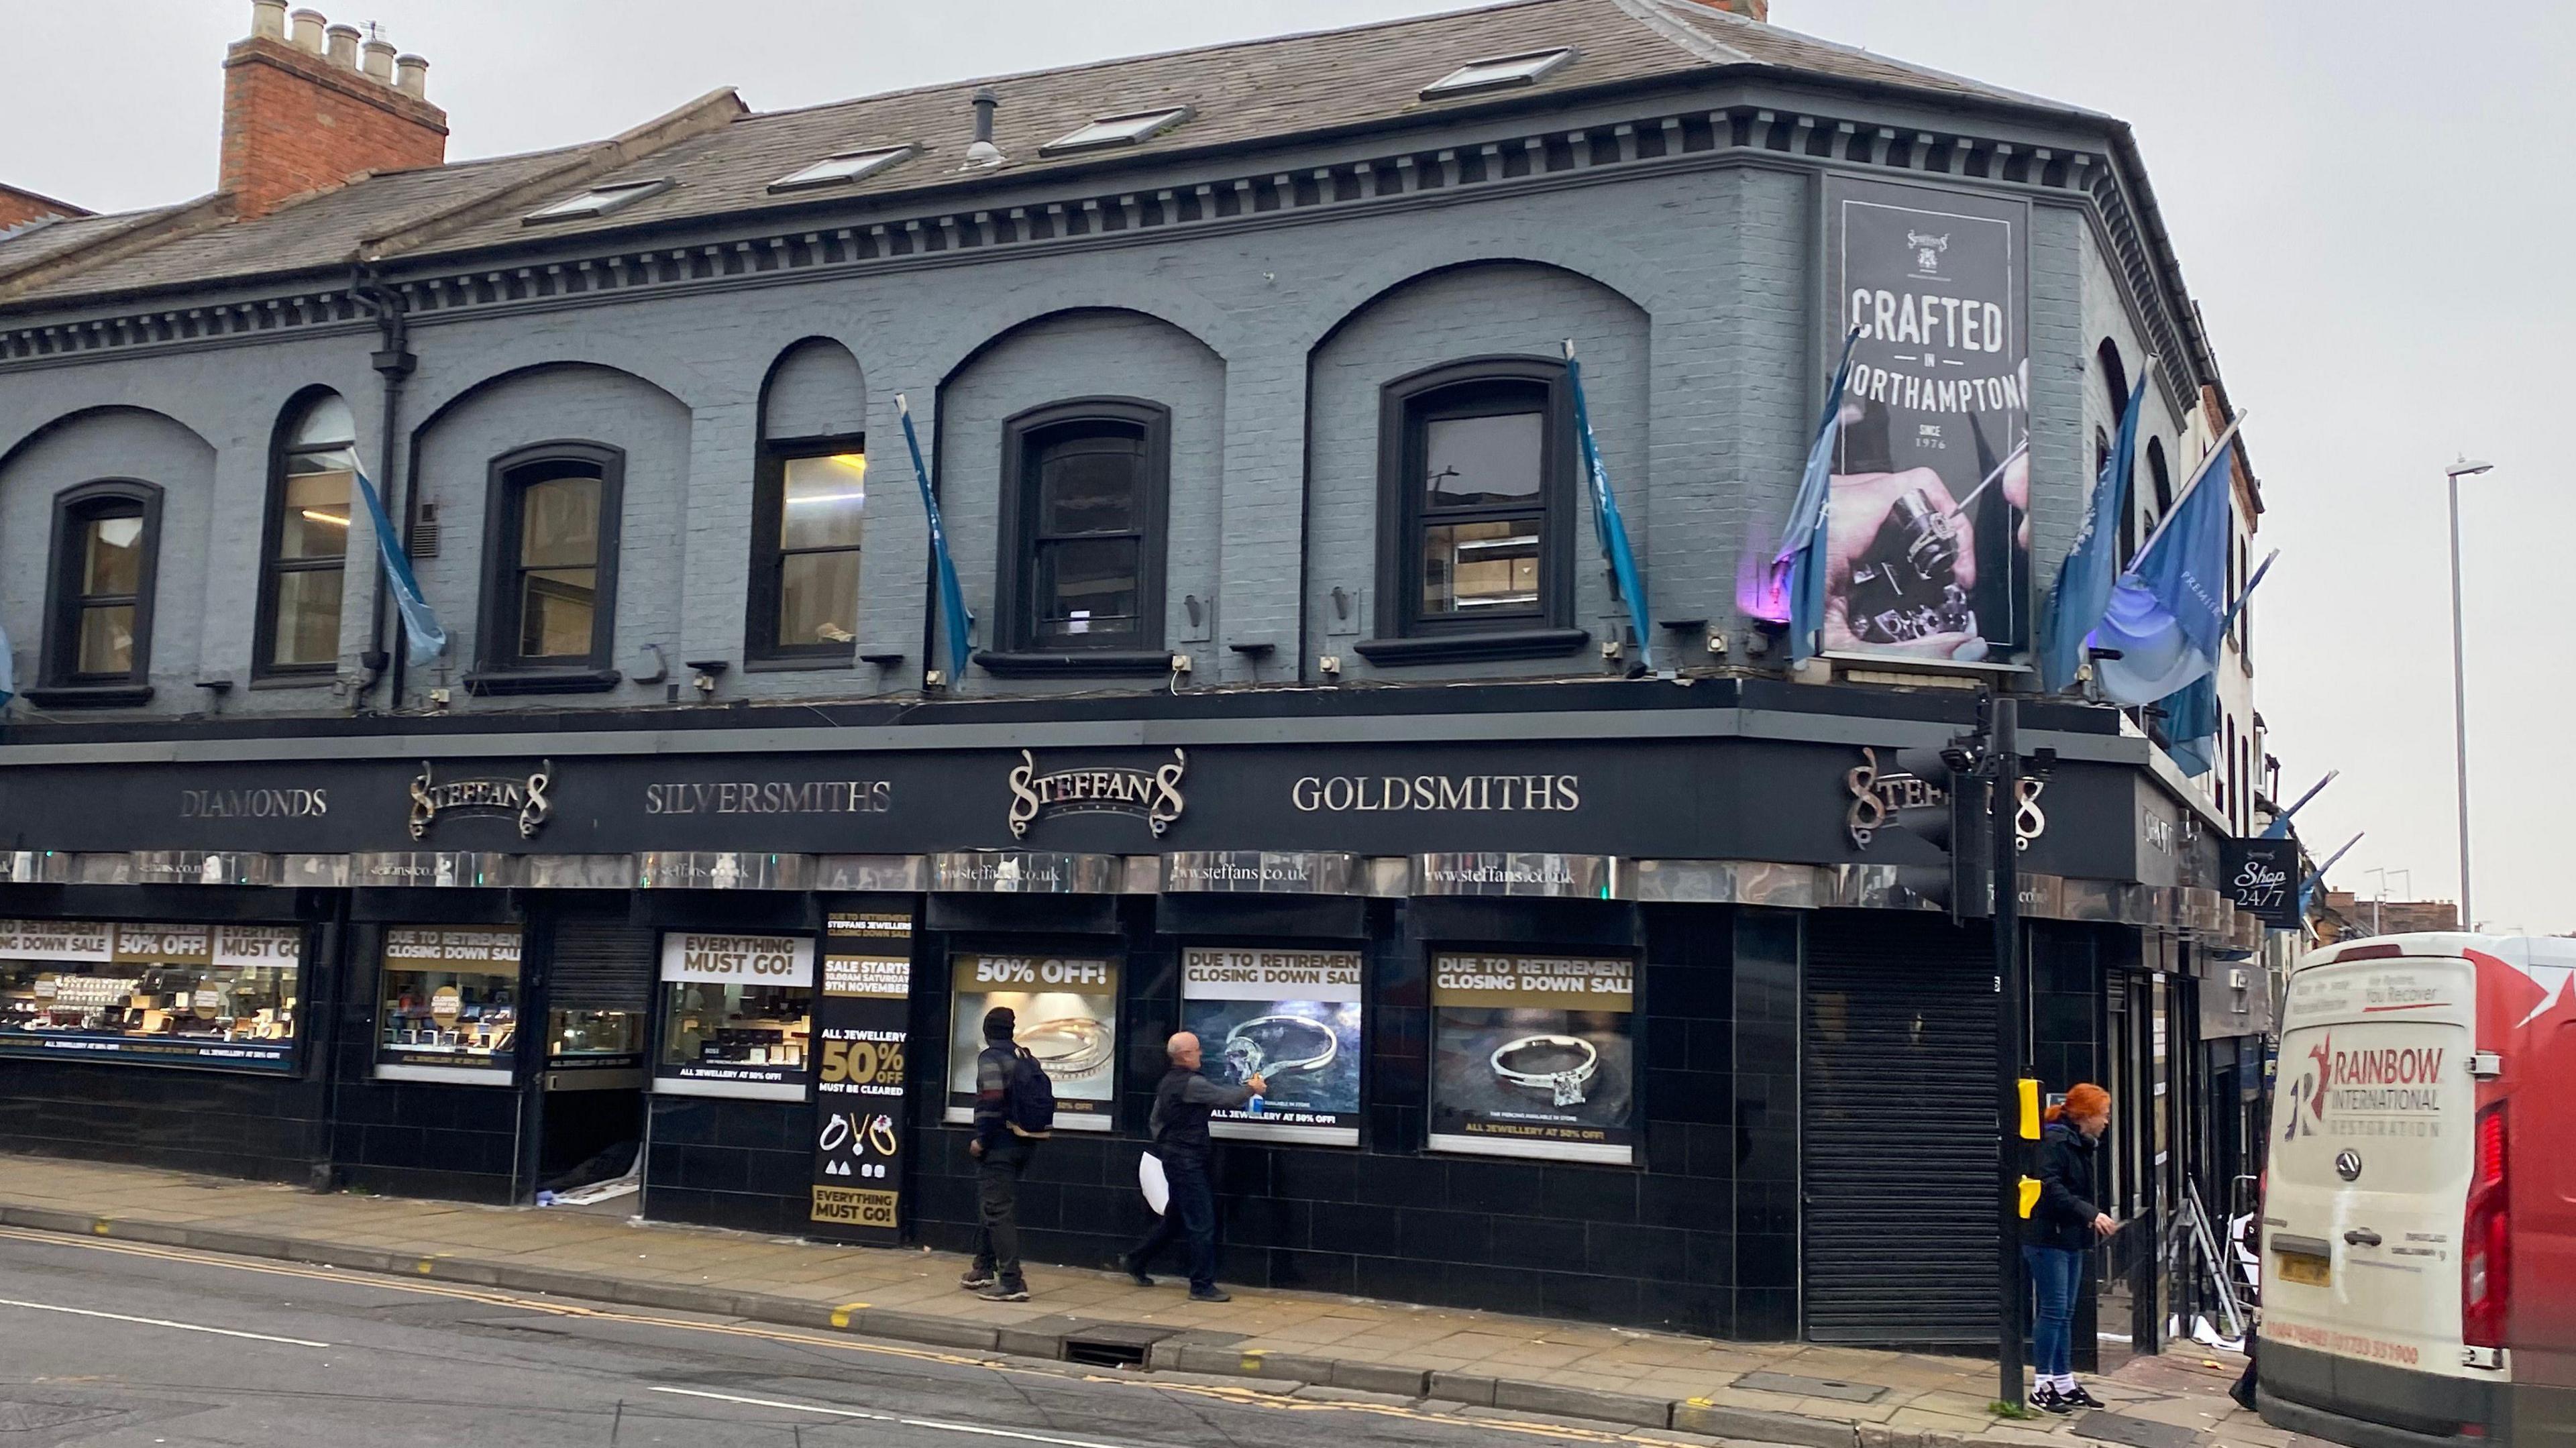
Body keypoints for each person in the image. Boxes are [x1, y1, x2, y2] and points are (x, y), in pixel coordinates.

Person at [1122, 1030, 1265, 1303]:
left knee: (1176, 1219)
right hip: (1187, 1161)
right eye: (1197, 1050)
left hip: (1177, 1157)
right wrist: (1253, 1089)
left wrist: (1167, 1147)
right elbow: (1227, 1098)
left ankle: (1136, 1260)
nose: (1201, 1054)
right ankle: (1201, 1285)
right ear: (1186, 1055)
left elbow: (1155, 1120)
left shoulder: (1167, 1083)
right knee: (1202, 1223)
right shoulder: (1191, 1084)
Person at [2025, 1082, 2118, 1414]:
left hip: (2069, 1237)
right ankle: (2041, 1386)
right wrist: (2090, 1214)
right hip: (2047, 1238)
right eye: (2103, 1115)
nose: (2107, 1121)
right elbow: (2050, 1188)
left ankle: (2063, 1383)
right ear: (2085, 1115)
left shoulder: (2080, 1143)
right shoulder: (2056, 1142)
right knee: (2053, 1310)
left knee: (2064, 1312)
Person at [961, 1006, 1046, 1302]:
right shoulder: (1024, 1055)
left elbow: (991, 1101)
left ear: (987, 1031)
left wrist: (981, 1140)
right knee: (994, 1205)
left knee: (998, 1211)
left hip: (999, 1144)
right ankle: (983, 1268)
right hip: (1025, 1141)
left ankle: (1012, 1282)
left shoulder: (991, 1058)